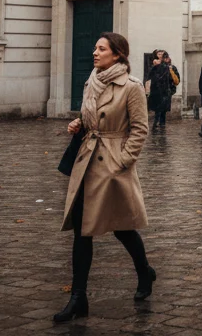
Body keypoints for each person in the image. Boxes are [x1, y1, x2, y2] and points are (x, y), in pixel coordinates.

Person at [54, 32, 154, 322]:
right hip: (86, 161)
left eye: (101, 49)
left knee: (123, 228)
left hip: (112, 164)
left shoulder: (131, 87)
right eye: (95, 48)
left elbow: (140, 129)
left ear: (117, 54)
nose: (95, 53)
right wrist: (78, 122)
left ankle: (144, 272)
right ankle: (78, 298)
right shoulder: (92, 80)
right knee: (82, 229)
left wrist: (122, 161)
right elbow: (91, 118)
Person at [147, 50, 172, 131]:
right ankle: (159, 123)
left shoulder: (165, 67)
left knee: (160, 108)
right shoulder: (165, 67)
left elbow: (149, 76)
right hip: (162, 90)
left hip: (158, 89)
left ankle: (158, 123)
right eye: (159, 54)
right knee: (161, 108)